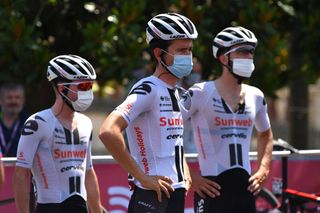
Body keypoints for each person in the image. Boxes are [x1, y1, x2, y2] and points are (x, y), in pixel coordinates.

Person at [99, 13, 198, 213]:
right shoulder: (148, 88)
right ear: (159, 54)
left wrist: (184, 168)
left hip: (174, 191)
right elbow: (108, 131)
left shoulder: (175, 91)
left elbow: (173, 140)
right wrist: (142, 177)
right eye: (180, 50)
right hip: (152, 194)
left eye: (189, 50)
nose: (187, 56)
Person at [180, 26, 274, 213]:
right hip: (211, 188)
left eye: (251, 52)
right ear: (224, 58)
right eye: (242, 52)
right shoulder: (200, 92)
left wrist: (263, 168)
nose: (248, 57)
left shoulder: (256, 96)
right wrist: (190, 176)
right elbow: (167, 133)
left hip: (245, 189)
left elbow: (266, 134)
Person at [13, 55, 103, 213]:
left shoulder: (86, 123)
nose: (88, 92)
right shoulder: (37, 123)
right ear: (62, 88)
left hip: (80, 207)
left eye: (91, 86)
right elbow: (21, 174)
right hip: (50, 207)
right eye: (83, 86)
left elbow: (88, 172)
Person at [0, 82, 28, 157]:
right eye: (9, 97)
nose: (13, 101)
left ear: (23, 100)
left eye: (17, 97)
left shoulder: (30, 124)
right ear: (1, 100)